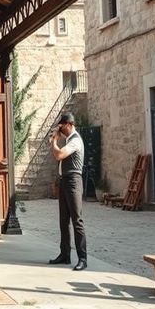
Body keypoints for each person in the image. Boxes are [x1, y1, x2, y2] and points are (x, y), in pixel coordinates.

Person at [48, 111, 88, 271]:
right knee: (63, 221)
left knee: (76, 220)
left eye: (62, 126)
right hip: (65, 181)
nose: (60, 129)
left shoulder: (75, 141)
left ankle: (83, 258)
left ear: (69, 124)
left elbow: (59, 155)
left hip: (73, 181)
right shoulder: (69, 140)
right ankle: (65, 254)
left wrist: (54, 142)